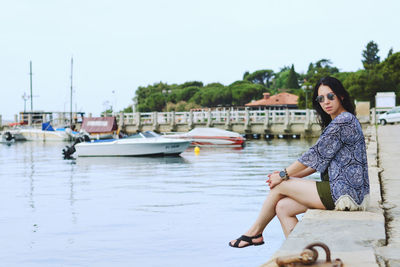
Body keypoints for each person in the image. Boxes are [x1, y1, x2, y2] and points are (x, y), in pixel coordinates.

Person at [229, 76, 369, 248]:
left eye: (330, 96)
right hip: (348, 192)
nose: (326, 102)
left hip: (344, 194)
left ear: (341, 96)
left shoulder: (342, 121)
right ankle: (302, 252)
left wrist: (282, 175)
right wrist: (283, 176)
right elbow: (316, 163)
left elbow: (312, 155)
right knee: (283, 208)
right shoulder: (343, 120)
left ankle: (255, 232)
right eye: (321, 98)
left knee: (279, 186)